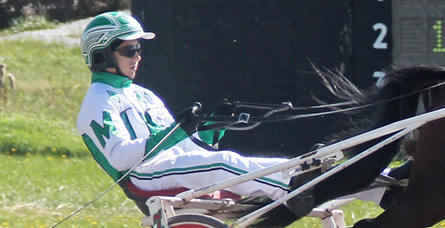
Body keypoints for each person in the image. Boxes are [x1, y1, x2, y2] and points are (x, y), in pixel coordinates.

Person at [76, 12, 292, 202]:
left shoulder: (144, 95)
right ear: (101, 55)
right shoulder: (98, 101)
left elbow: (188, 149)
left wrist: (214, 128)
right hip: (144, 175)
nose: (138, 57)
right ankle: (291, 191)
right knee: (222, 163)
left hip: (168, 167)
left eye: (138, 49)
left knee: (233, 160)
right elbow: (120, 157)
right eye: (129, 50)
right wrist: (175, 132)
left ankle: (298, 174)